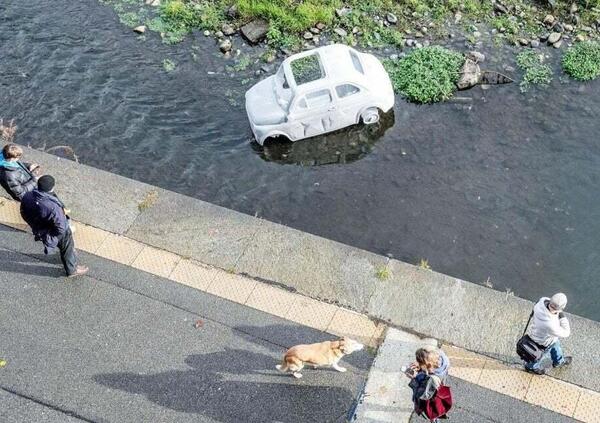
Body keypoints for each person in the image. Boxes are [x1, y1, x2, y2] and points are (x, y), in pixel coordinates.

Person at [20, 175, 88, 277]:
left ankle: (66, 253)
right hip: (56, 231)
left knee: (63, 246)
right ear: (52, 188)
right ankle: (72, 270)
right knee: (67, 247)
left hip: (41, 227)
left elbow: (23, 212)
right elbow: (61, 227)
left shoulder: (28, 196)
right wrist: (56, 234)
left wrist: (34, 225)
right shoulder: (52, 207)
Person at [524, 293, 572, 375]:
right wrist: (561, 315)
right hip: (543, 342)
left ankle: (558, 361)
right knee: (538, 355)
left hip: (538, 332)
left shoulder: (542, 301)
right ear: (562, 308)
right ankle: (531, 367)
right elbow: (566, 332)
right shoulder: (550, 324)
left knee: (556, 344)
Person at [406, 345, 451, 422]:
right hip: (441, 384)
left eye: (421, 364)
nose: (419, 364)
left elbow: (422, 394)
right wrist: (422, 366)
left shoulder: (431, 379)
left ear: (428, 365)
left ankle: (434, 420)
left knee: (432, 412)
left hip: (431, 399)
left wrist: (414, 378)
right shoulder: (443, 359)